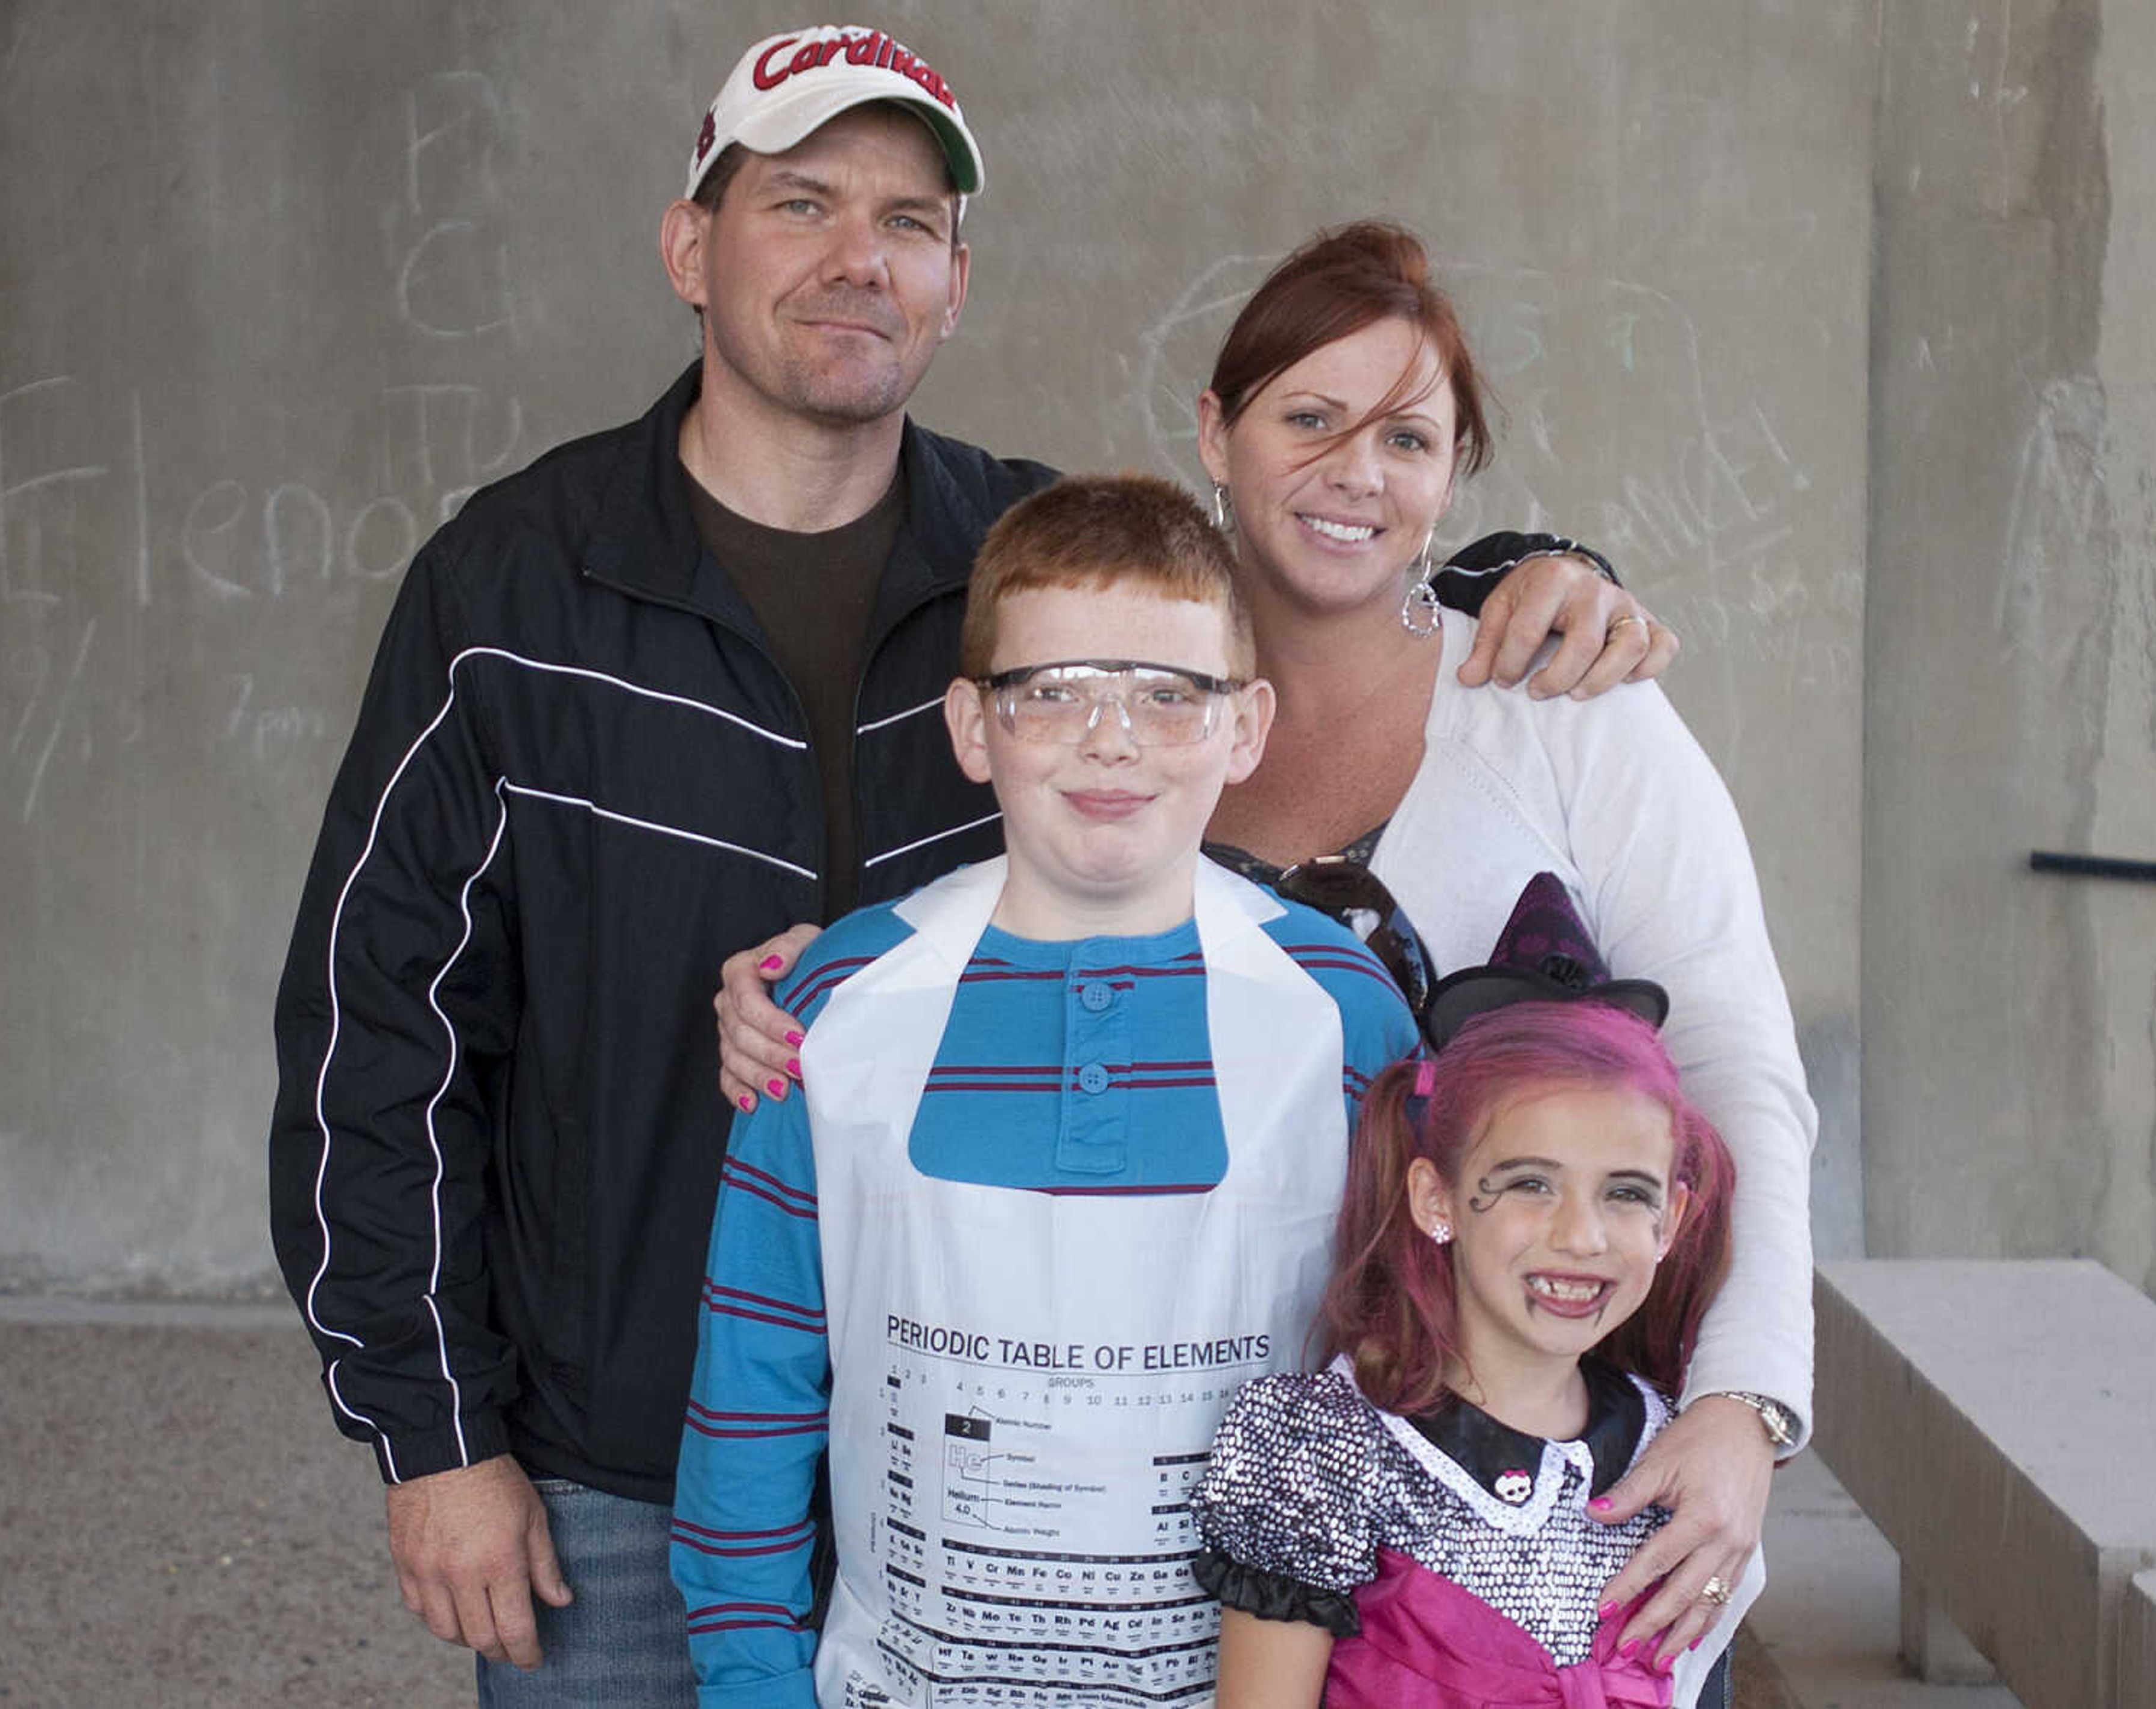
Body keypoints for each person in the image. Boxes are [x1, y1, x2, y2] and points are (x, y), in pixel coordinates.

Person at [267, 22, 1665, 1703]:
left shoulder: (1023, 559)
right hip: (624, 1471)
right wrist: (433, 1440)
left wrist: (1527, 566)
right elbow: (375, 1039)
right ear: (689, 246)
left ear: (956, 281)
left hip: (1058, 1494)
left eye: (911, 222)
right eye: (802, 203)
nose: (860, 258)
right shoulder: (510, 596)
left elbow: (1291, 552)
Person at [720, 220, 1814, 1667]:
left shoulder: (1565, 698)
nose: (1355, 472)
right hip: (1211, 1524)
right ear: (1214, 433)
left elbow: (1734, 1068)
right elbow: (951, 953)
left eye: (1407, 437)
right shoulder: (1129, 696)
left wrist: (1745, 1407)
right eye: (1308, 418)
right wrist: (797, 990)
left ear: (1449, 477)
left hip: (1549, 1494)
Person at [672, 474, 1422, 1708]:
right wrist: (749, 1677)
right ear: (973, 727)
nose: (1110, 740)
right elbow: (756, 1376)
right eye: (1052, 692)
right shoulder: (839, 1002)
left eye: (1171, 697)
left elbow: (1401, 1369)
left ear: (1248, 726)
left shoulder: (1343, 1012)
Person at [1191, 993, 1749, 1708]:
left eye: (1625, 1193)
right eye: (1531, 1184)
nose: (1583, 1237)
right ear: (1436, 1199)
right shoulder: (1324, 1444)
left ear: (1670, 1220)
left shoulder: (1674, 1453)